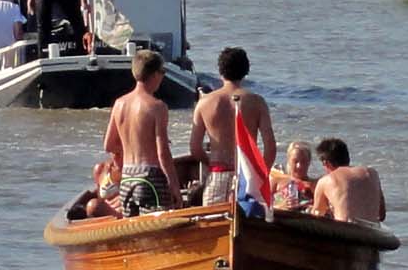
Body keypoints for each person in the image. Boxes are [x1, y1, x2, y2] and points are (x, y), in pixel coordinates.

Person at [189, 46, 276, 206]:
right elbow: (270, 148)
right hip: (247, 176)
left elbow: (195, 148)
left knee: (214, 224)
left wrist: (211, 163)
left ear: (220, 72)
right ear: (246, 71)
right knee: (249, 224)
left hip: (218, 175)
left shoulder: (205, 102)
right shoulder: (257, 102)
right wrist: (261, 175)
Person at [103, 49, 181, 215]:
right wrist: (174, 185)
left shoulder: (119, 104)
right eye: (163, 72)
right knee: (158, 233)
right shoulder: (157, 106)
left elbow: (109, 145)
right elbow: (163, 153)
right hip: (150, 178)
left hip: (127, 177)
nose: (163, 77)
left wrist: (130, 147)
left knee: (133, 234)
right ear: (154, 75)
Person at [311, 137, 386, 224]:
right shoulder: (371, 173)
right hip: (372, 233)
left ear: (325, 163)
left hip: (346, 231)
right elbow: (381, 215)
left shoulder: (325, 181)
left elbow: (317, 216)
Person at [271, 141, 316, 210]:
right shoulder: (277, 181)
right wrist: (280, 206)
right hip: (280, 217)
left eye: (303, 161)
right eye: (295, 161)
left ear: (309, 162)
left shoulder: (316, 185)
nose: (299, 166)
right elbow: (263, 204)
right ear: (289, 160)